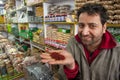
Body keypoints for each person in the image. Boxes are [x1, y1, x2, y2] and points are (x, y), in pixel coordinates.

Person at [40, 3, 120, 80]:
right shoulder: (72, 43)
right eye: (81, 25)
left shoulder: (117, 52)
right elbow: (62, 76)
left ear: (104, 27)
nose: (85, 32)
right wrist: (71, 67)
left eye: (92, 26)